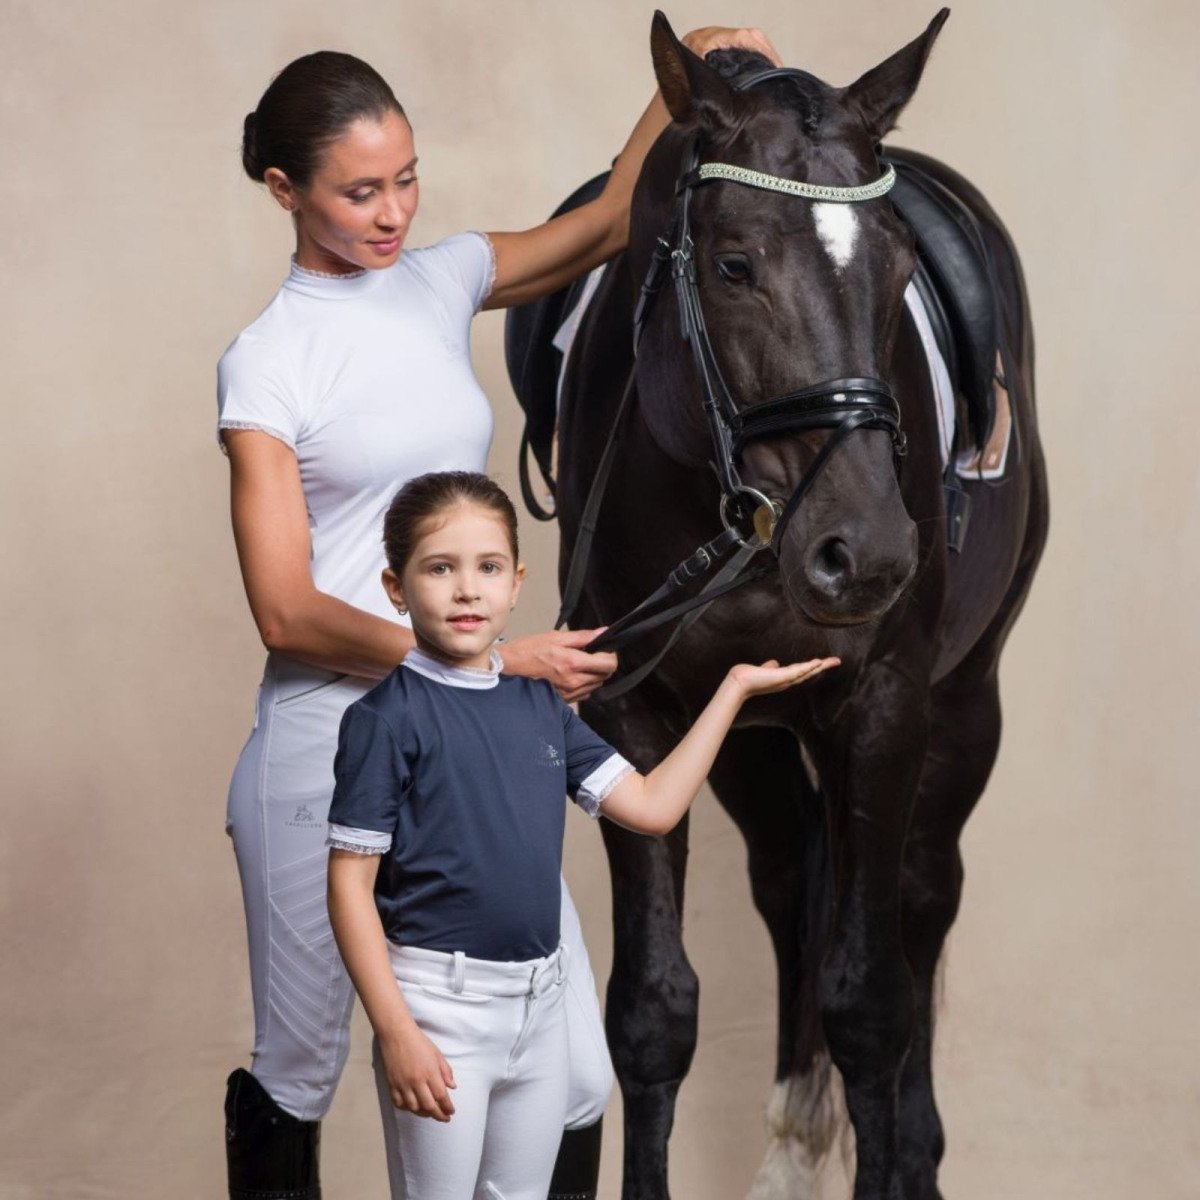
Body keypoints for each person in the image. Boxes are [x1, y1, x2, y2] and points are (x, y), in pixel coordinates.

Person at [217, 29, 782, 1200]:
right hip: (333, 732)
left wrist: (680, 83)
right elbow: (283, 609)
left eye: (407, 178)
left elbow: (614, 221)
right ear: (285, 190)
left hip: (476, 714)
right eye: (360, 190)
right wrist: (491, 651)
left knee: (569, 1073)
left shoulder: (439, 278)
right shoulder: (267, 363)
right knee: (304, 1063)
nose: (393, 211)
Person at [325, 471, 838, 1200]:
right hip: (440, 1012)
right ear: (396, 587)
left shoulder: (542, 708)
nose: (467, 590)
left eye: (488, 568)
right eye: (440, 568)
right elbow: (349, 885)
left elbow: (654, 807)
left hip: (535, 1011)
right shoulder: (386, 719)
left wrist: (731, 693)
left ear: (515, 583)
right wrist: (397, 1030)